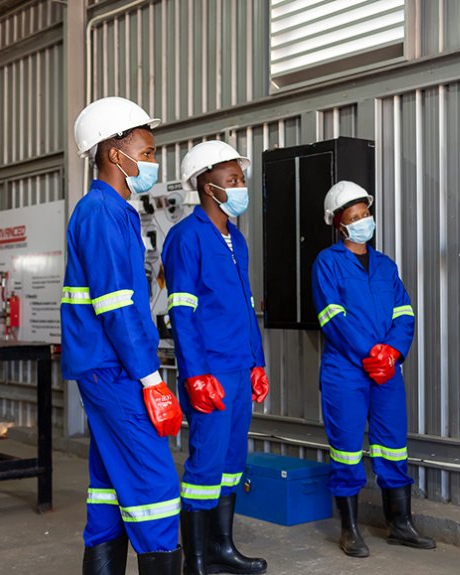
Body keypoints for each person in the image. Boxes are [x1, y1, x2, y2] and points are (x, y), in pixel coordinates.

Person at [64, 96, 183, 574]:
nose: (153, 161)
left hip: (107, 364)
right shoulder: (101, 213)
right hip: (113, 367)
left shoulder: (115, 212)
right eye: (147, 151)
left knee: (109, 482)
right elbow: (115, 306)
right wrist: (150, 378)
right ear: (116, 153)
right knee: (155, 485)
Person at [311, 181, 435, 558]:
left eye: (366, 213)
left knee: (394, 445)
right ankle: (349, 529)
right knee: (347, 449)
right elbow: (333, 316)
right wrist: (370, 353)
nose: (364, 220)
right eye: (355, 216)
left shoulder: (385, 265)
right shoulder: (327, 262)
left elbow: (404, 312)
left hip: (387, 371)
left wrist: (393, 352)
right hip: (346, 371)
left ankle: (400, 523)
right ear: (339, 224)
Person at [162, 141, 269, 575]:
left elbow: (245, 304)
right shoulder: (186, 237)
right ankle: (197, 560)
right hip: (211, 370)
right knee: (206, 461)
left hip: (239, 366)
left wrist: (257, 360)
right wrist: (195, 375)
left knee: (231, 462)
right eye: (232, 180)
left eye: (241, 179)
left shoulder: (236, 240)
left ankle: (223, 548)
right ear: (208, 186)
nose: (240, 186)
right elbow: (182, 313)